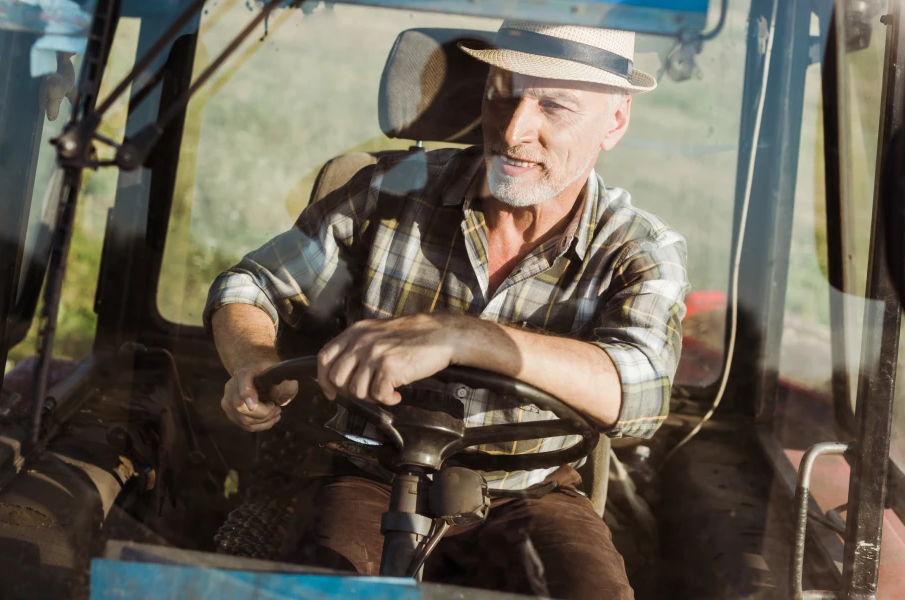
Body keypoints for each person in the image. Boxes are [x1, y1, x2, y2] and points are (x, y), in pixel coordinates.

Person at [203, 20, 689, 600]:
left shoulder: (638, 249)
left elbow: (643, 391)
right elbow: (250, 286)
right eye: (501, 93)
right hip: (367, 472)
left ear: (615, 120)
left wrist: (466, 338)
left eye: (554, 107)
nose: (513, 130)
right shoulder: (388, 190)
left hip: (529, 492)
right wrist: (253, 358)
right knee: (326, 588)